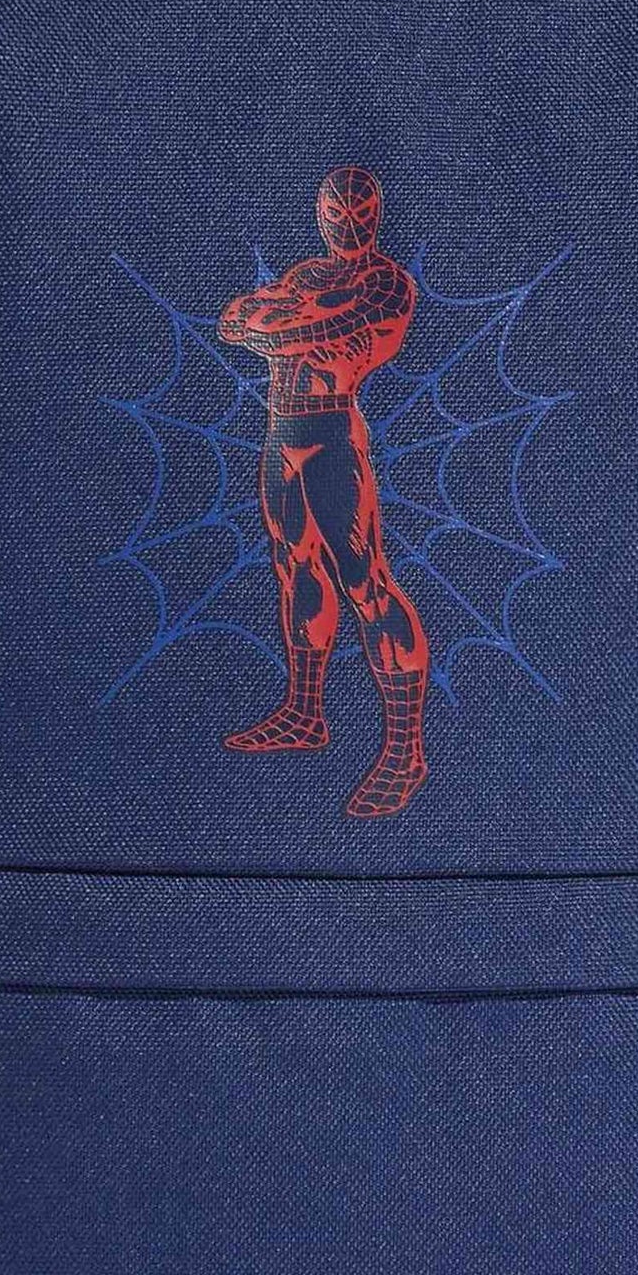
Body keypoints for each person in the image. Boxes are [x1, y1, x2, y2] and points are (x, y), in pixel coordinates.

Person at [218, 167, 431, 818]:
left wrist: (284, 322)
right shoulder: (308, 275)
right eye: (336, 212)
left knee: (366, 581)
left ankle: (405, 752)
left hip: (334, 433)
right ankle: (305, 713)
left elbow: (312, 330)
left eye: (360, 211)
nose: (348, 223)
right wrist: (300, 318)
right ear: (320, 214)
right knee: (295, 568)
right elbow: (234, 321)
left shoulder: (387, 281)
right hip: (281, 432)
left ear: (376, 214)